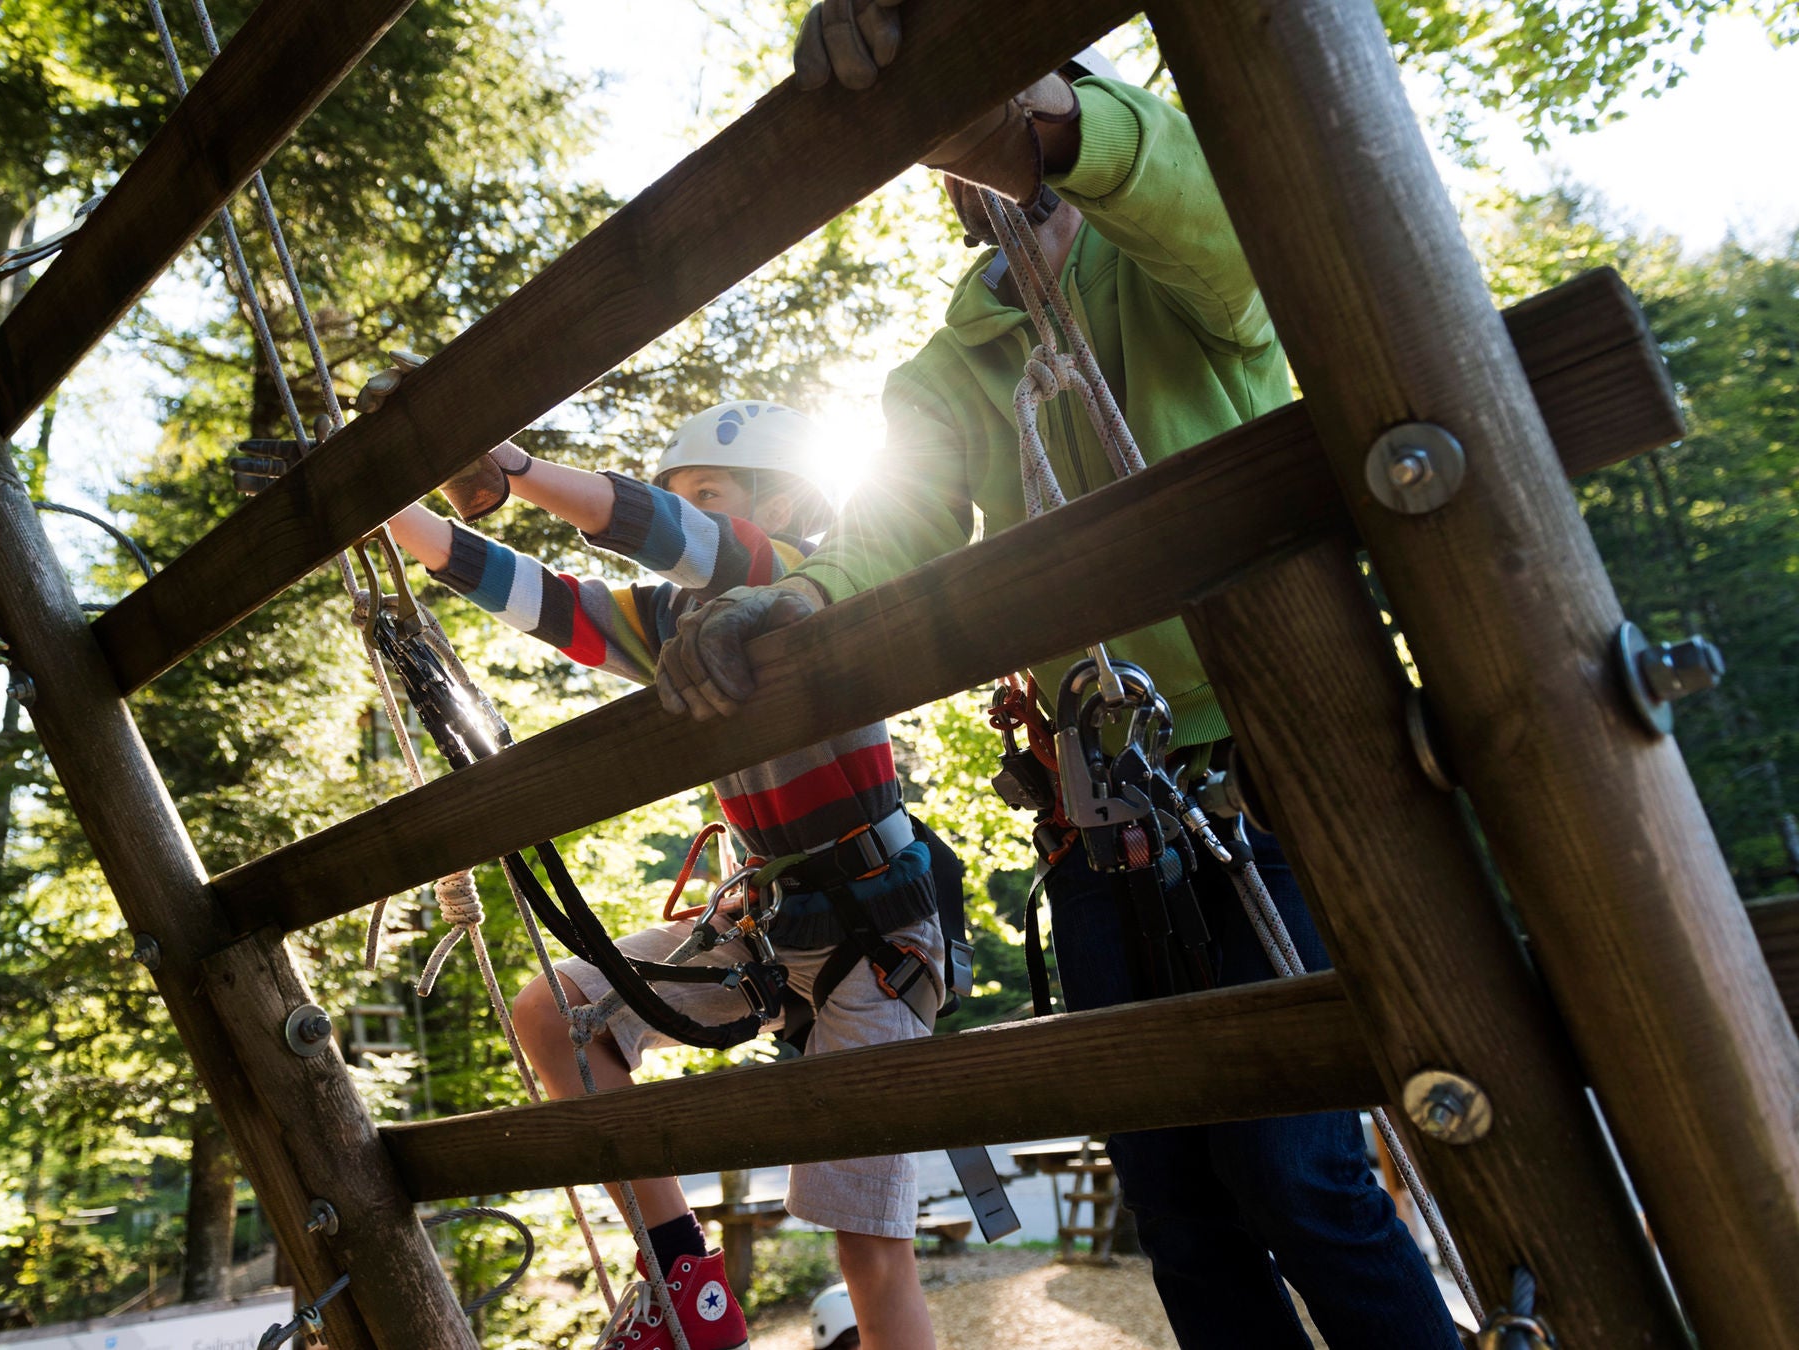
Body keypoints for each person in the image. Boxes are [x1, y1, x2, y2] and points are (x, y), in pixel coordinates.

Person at [647, 18, 1465, 1350]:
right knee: (1177, 1195)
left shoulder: (1195, 259)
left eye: (1005, 128)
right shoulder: (964, 356)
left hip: (1276, 770)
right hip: (1097, 810)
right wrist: (796, 596)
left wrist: (1052, 120)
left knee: (1298, 1172)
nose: (980, 173)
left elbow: (1220, 247)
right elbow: (896, 523)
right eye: (957, 155)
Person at [365, 396, 945, 1350]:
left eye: (714, 497)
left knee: (866, 1245)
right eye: (686, 496)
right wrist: (385, 508)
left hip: (872, 935)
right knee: (559, 1011)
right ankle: (687, 1282)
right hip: (764, 927)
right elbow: (551, 601)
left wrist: (513, 469)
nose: (693, 520)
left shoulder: (806, 578)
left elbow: (693, 543)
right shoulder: (678, 626)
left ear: (789, 504)